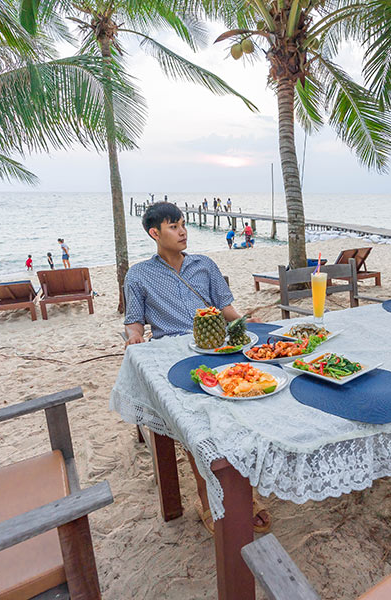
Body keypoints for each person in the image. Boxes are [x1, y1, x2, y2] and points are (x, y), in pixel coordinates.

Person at [123, 202, 271, 535]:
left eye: (184, 224)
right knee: (197, 422)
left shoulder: (204, 265)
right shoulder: (139, 274)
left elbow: (227, 309)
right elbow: (134, 323)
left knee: (244, 406)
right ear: (154, 233)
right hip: (173, 356)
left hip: (218, 347)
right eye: (174, 226)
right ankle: (206, 495)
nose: (183, 231)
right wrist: (133, 338)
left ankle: (240, 487)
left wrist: (250, 321)